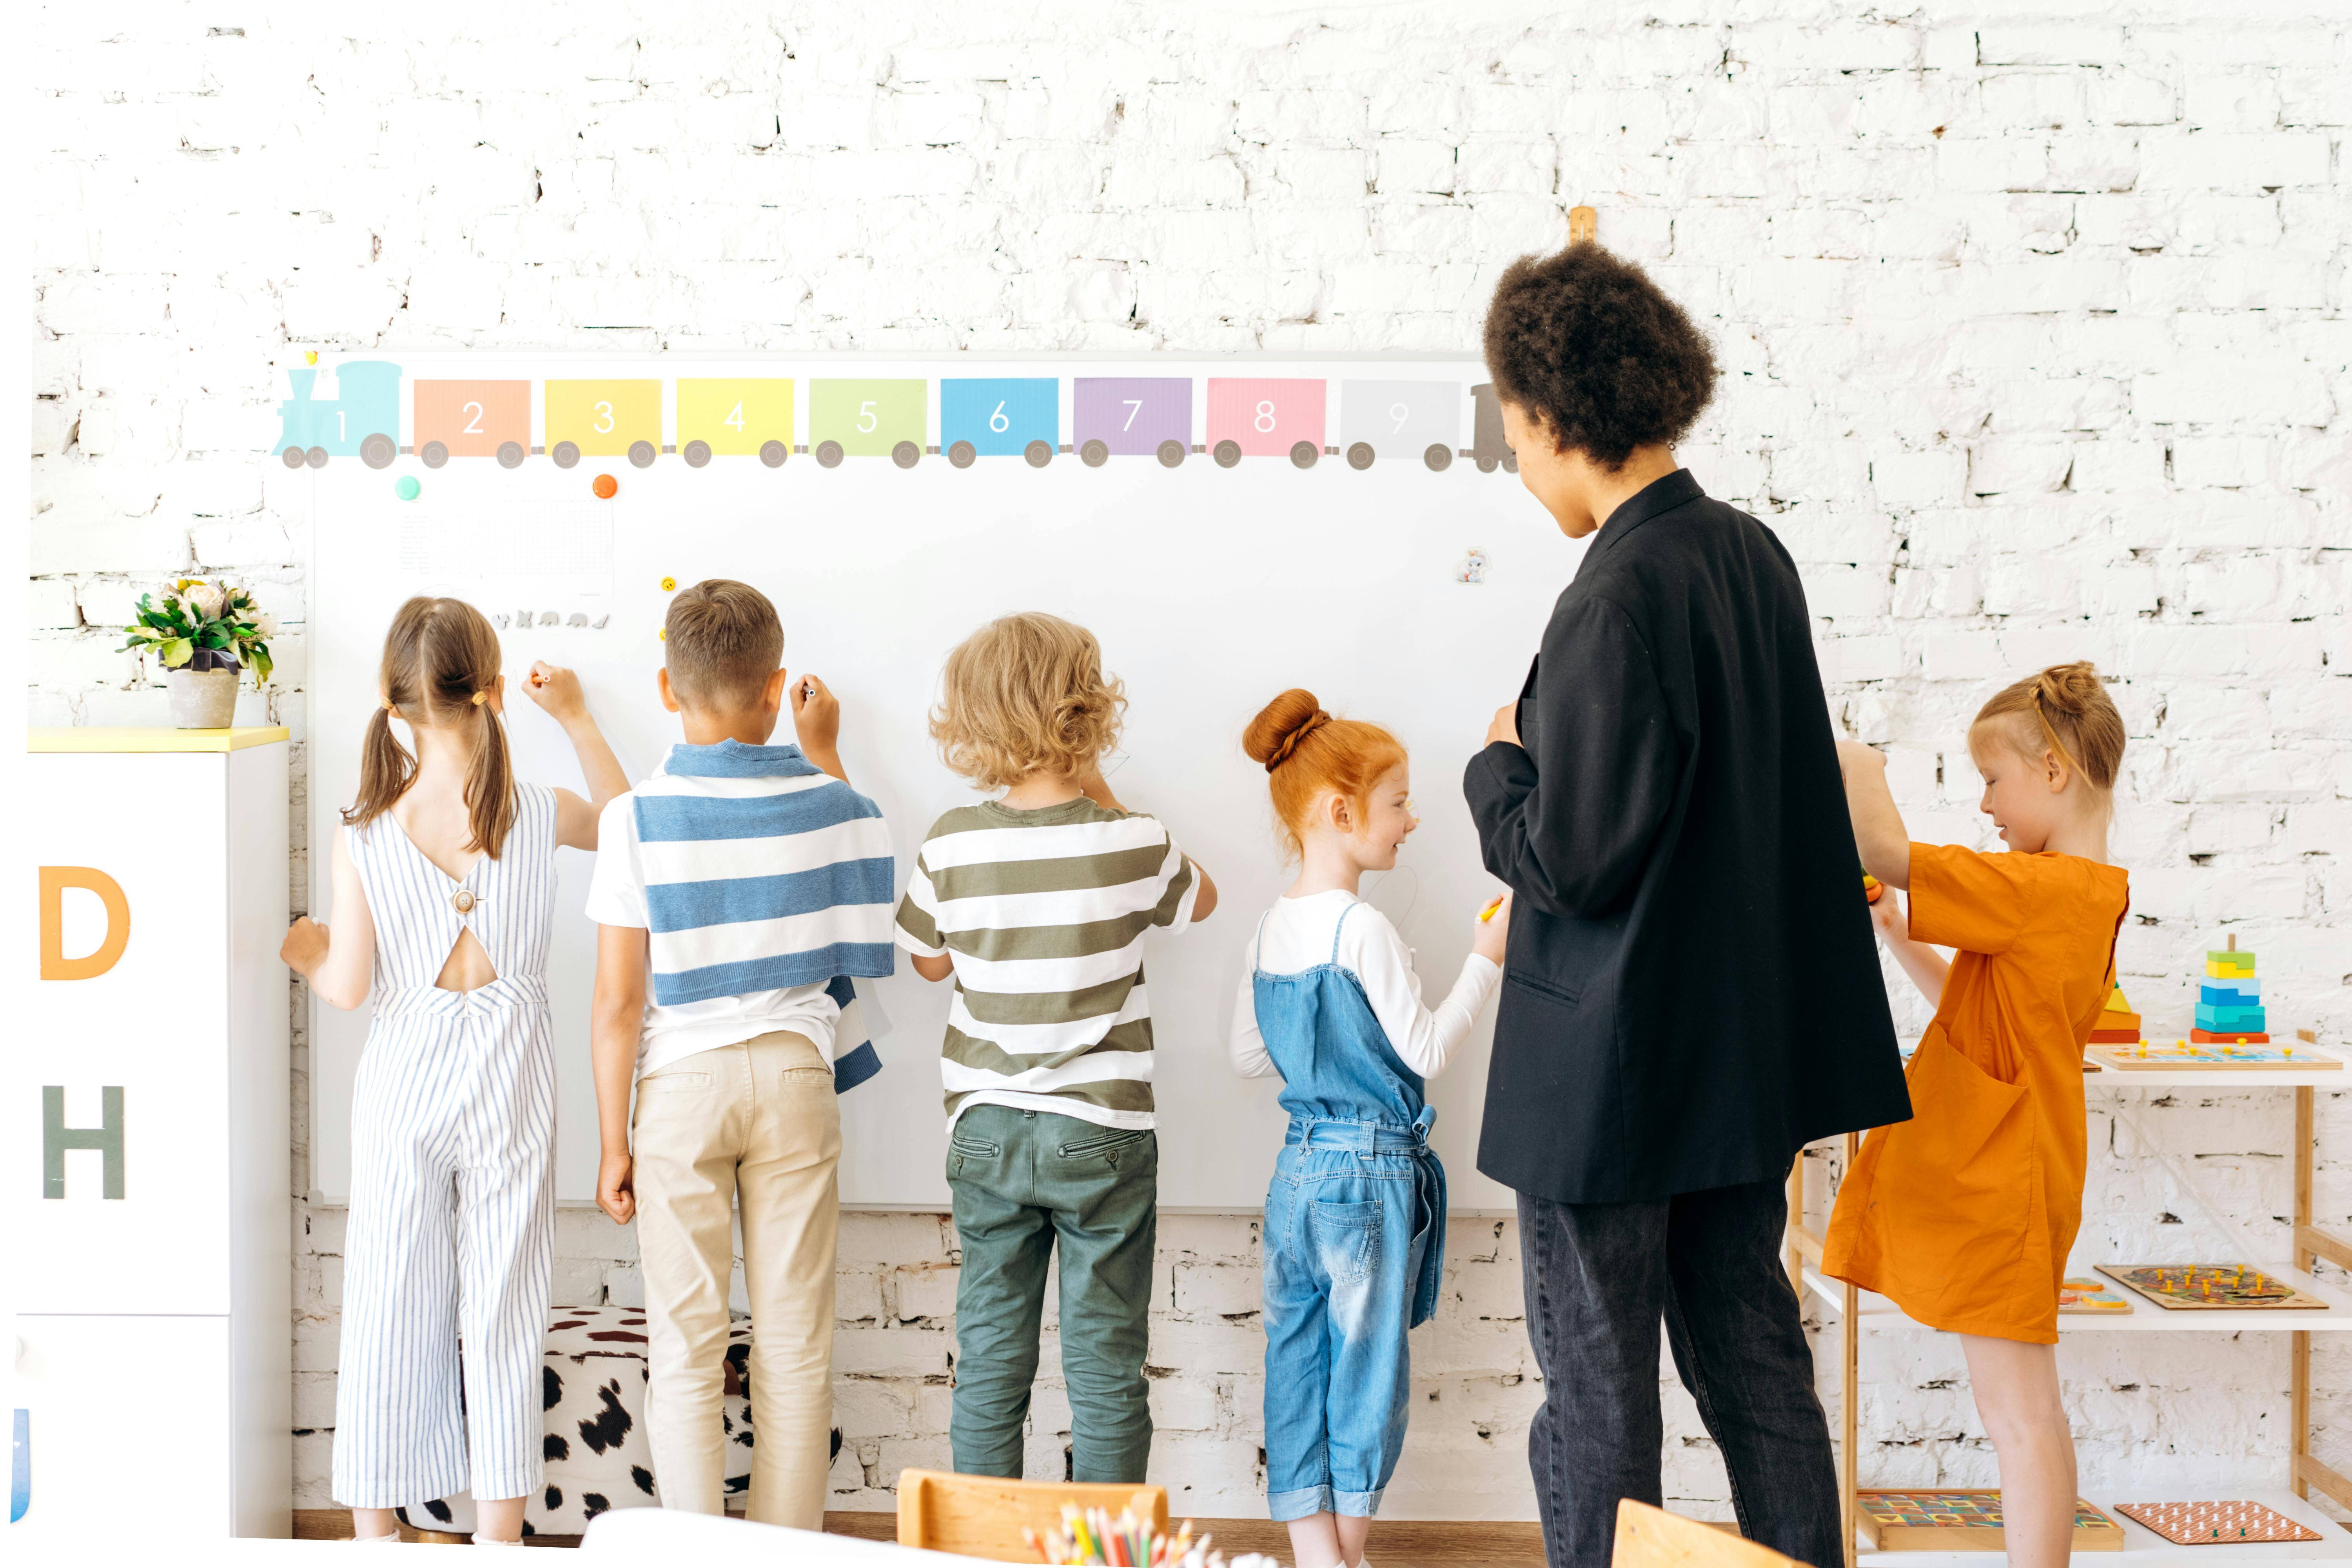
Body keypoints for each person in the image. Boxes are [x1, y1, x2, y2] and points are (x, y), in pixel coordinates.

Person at [1463, 242, 1911, 1568]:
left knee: (1599, 1393)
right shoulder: (1750, 556)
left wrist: (1498, 764)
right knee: (1755, 1361)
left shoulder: (1616, 593)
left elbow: (1576, 861)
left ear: (1552, 416)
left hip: (1611, 1083)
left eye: (1512, 428)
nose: (1515, 457)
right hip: (1733, 1066)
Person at [281, 596, 628, 1546]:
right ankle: (500, 1534)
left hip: (405, 1082)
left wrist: (302, 948)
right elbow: (626, 818)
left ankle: (376, 1527)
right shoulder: (538, 811)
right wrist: (579, 717)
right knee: (506, 1303)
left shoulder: (367, 830)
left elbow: (350, 986)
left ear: (395, 707)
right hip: (513, 1080)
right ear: (494, 691)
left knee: (390, 1296)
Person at [584, 578, 896, 1528]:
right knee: (795, 1343)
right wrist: (823, 746)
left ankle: (693, 1552)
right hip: (797, 1079)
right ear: (776, 687)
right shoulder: (838, 803)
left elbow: (617, 1002)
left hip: (681, 1084)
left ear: (666, 689)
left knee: (685, 1343)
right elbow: (856, 910)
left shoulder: (634, 816)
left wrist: (612, 1142)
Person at [894, 612, 1218, 1483]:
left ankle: (979, 1549)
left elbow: (928, 962)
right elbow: (1204, 901)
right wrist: (1095, 782)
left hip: (990, 1130)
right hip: (1103, 1132)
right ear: (1087, 713)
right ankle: (1101, 1551)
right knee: (1106, 1366)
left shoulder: (952, 840)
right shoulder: (1134, 839)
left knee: (992, 1360)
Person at [1824, 664, 2130, 1568]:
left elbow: (1883, 847)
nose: (1989, 806)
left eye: (1994, 780)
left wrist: (1856, 758)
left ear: (2054, 772)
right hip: (2006, 1176)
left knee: (2020, 1415)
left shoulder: (2048, 890)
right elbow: (1971, 1006)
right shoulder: (2072, 892)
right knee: (2015, 1410)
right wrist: (1895, 928)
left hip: (2009, 1184)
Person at [1229, 689, 1509, 1568]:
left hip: (1297, 1175)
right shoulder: (1364, 928)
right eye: (1398, 803)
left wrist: (1320, 1061)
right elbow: (1425, 1043)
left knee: (1297, 1356)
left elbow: (1247, 1054)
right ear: (1340, 812)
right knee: (1367, 1370)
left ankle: (1315, 1548)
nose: (1411, 820)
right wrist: (1484, 961)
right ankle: (1346, 1552)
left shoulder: (1271, 926)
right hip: (1369, 1179)